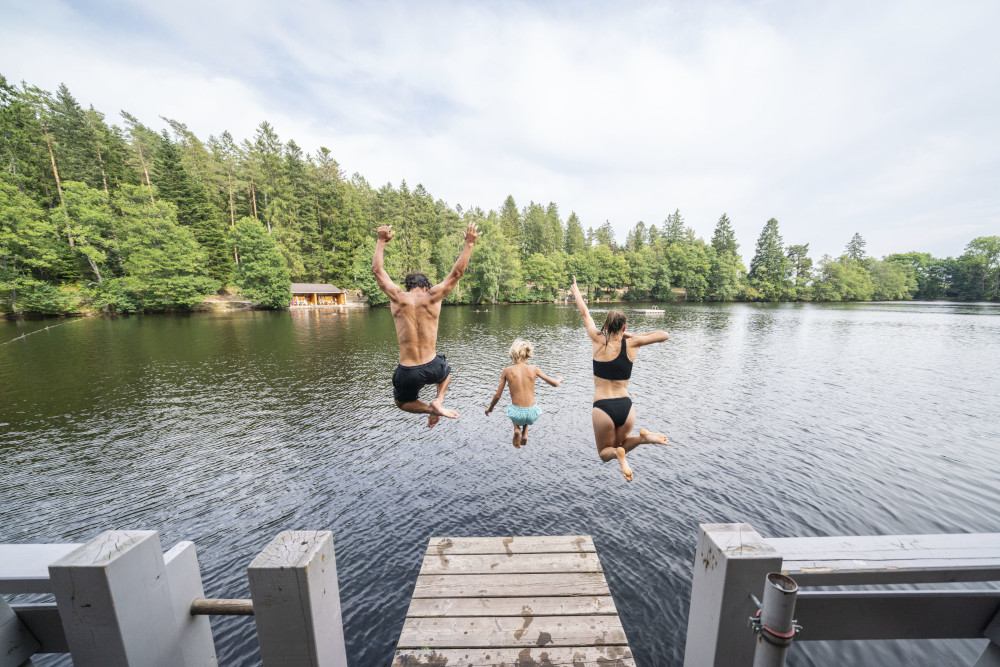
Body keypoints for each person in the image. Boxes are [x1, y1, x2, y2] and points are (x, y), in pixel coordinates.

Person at [372, 221, 480, 427]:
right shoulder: (433, 296)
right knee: (446, 371)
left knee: (401, 402)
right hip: (432, 366)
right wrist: (469, 244)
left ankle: (431, 408)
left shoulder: (397, 297)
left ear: (408, 286)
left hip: (407, 370)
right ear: (426, 286)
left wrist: (380, 241)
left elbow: (377, 271)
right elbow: (457, 274)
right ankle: (439, 400)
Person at [569, 276, 670, 481]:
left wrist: (576, 291)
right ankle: (643, 439)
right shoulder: (633, 344)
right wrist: (630, 336)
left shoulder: (597, 339)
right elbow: (664, 334)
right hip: (626, 406)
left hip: (603, 407)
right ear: (623, 328)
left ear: (605, 326)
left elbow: (584, 313)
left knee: (606, 453)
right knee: (622, 442)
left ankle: (619, 455)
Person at [486, 339, 563, 448]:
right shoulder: (534, 369)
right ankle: (525, 433)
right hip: (533, 413)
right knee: (528, 410)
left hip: (517, 414)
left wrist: (490, 409)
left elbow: (497, 396)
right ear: (527, 355)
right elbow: (554, 384)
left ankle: (516, 429)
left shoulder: (507, 371)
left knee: (512, 409)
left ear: (512, 354)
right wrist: (559, 379)